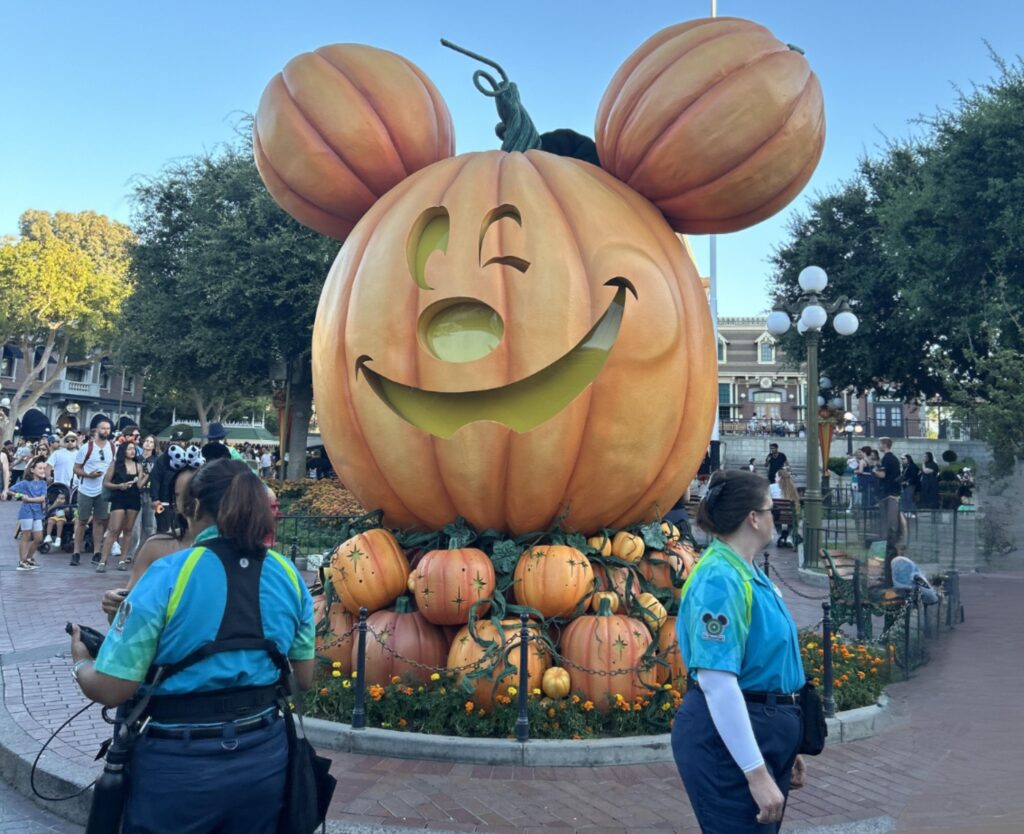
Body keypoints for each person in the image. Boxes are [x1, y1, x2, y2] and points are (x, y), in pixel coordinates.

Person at [71, 459, 315, 833]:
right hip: (264, 761)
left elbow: (112, 688)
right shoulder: (289, 577)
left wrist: (80, 663)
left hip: (177, 765)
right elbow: (304, 677)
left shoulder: (168, 574)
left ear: (196, 507)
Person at [672, 470, 805, 832]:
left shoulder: (745, 571)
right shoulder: (720, 577)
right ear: (753, 518)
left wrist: (785, 747)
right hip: (725, 743)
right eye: (769, 507)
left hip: (761, 732)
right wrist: (756, 773)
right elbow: (717, 682)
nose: (774, 515)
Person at [97, 442, 149, 573]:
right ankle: (103, 560)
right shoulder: (115, 464)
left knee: (128, 529)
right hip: (119, 497)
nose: (132, 451)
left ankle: (122, 559)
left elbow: (139, 485)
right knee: (114, 529)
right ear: (123, 451)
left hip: (134, 498)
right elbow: (106, 482)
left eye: (134, 449)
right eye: (129, 449)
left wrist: (148, 475)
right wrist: (119, 486)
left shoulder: (138, 465)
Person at [71, 418, 114, 567]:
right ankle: (76, 552)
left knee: (100, 521)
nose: (106, 431)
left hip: (103, 490)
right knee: (82, 521)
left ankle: (97, 552)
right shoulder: (86, 448)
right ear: (96, 430)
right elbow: (76, 468)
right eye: (103, 428)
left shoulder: (112, 448)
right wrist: (89, 475)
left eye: (108, 428)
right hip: (86, 489)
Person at [149, 426, 192, 534]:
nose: (178, 444)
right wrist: (155, 499)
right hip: (163, 502)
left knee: (182, 531)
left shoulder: (188, 459)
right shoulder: (162, 459)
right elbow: (155, 478)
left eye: (181, 441)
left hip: (181, 502)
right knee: (163, 532)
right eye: (176, 441)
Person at [9, 456, 49, 570]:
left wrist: (30, 499)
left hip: (37, 512)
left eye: (43, 468)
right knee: (26, 535)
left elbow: (42, 498)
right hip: (26, 512)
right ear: (32, 470)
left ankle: (29, 558)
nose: (42, 470)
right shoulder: (25, 483)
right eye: (40, 468)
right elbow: (10, 490)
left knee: (38, 537)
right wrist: (20, 496)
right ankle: (22, 561)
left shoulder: (43, 484)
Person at [126, 434, 159, 564]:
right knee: (134, 526)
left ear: (154, 445)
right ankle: (130, 553)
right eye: (146, 441)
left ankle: (142, 553)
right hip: (136, 493)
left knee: (149, 526)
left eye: (151, 442)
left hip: (150, 494)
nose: (148, 444)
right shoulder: (136, 459)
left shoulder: (157, 460)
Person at [873, 438, 902, 585]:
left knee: (889, 523)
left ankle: (889, 545)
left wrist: (874, 471)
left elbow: (883, 475)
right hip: (892, 493)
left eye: (880, 444)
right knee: (888, 522)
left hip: (889, 494)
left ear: (885, 445)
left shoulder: (888, 458)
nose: (878, 446)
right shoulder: (892, 459)